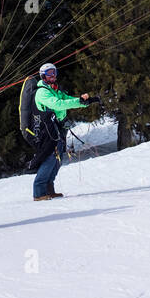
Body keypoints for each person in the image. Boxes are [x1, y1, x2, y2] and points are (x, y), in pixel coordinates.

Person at [28, 63, 96, 201]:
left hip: (57, 129)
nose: (53, 75)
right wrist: (78, 101)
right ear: (43, 75)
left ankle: (49, 189)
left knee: (58, 159)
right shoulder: (42, 92)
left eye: (54, 72)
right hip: (45, 130)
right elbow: (58, 104)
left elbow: (67, 100)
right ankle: (39, 192)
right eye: (49, 73)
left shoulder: (55, 90)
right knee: (50, 158)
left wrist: (84, 102)